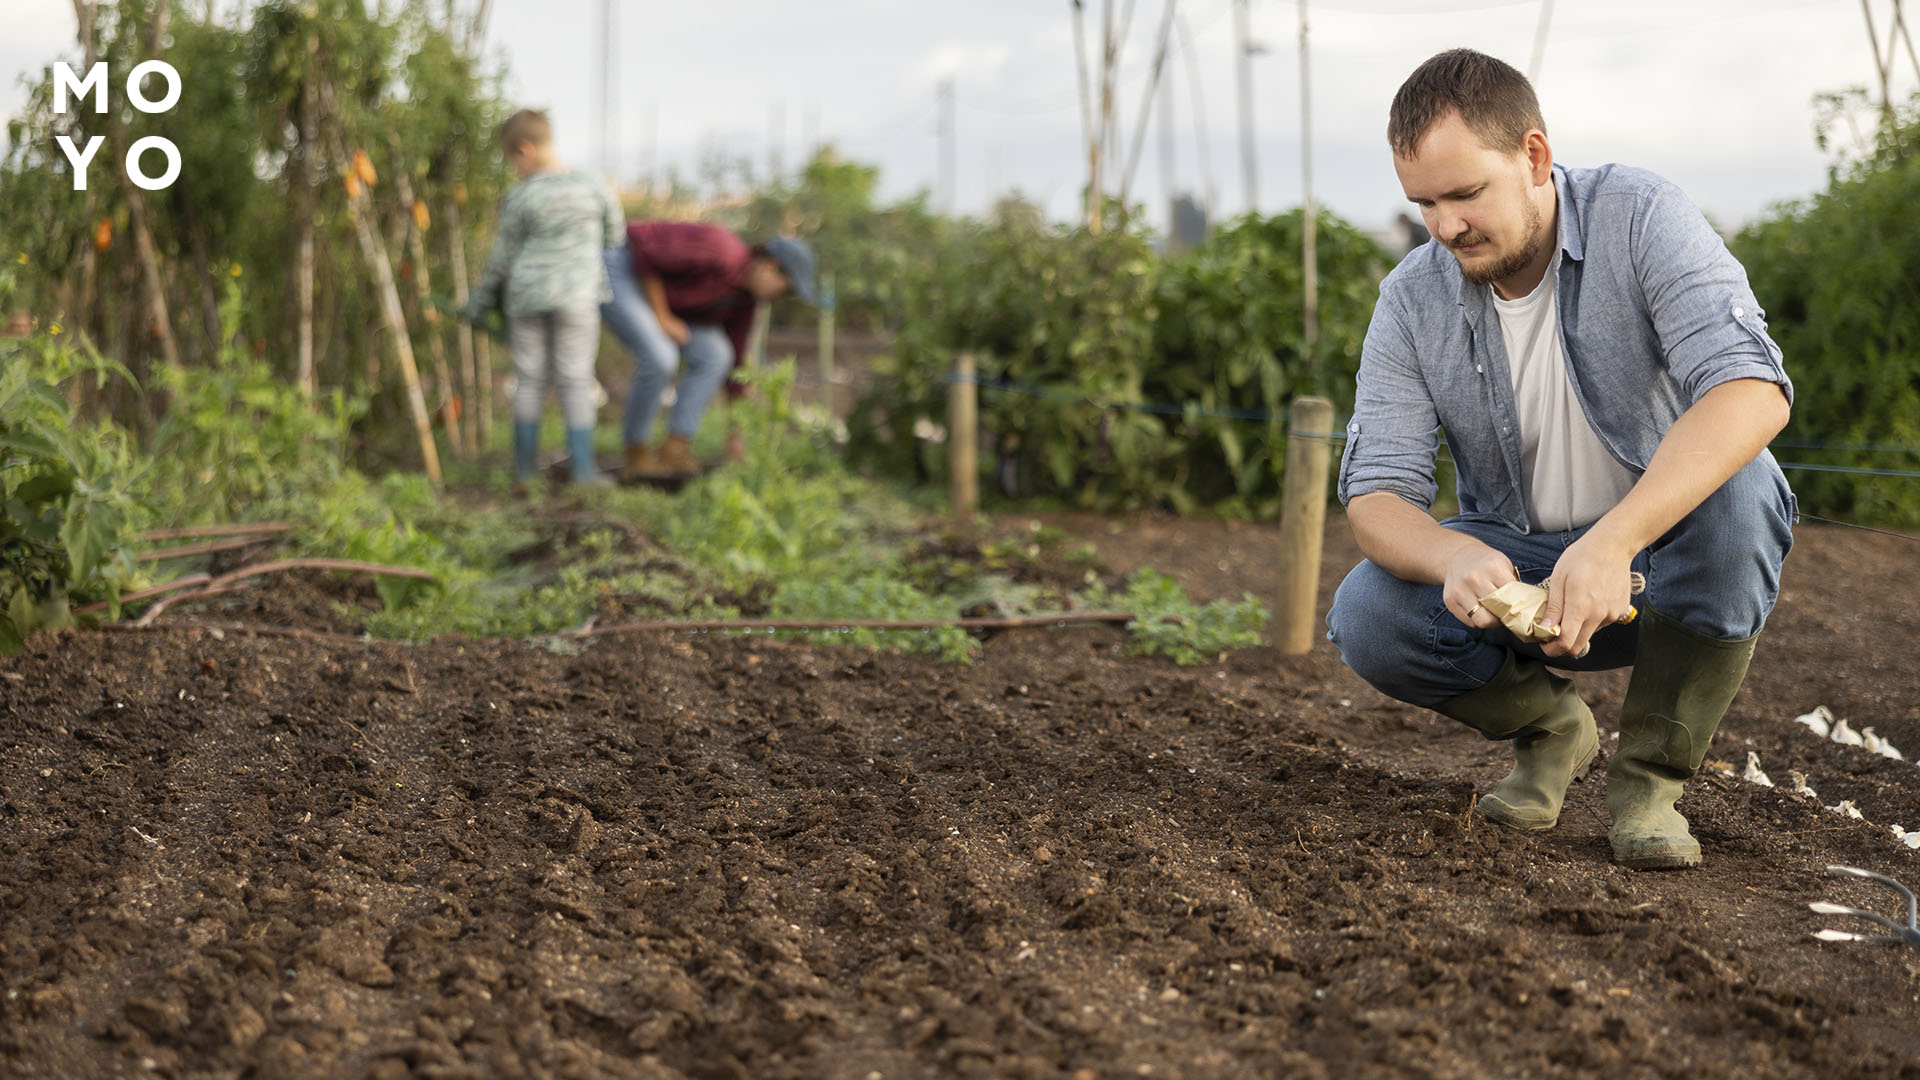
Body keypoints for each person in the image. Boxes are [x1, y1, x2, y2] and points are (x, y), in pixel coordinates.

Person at [1324, 49, 1795, 871]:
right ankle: (1551, 732)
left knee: (1744, 488)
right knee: (1370, 611)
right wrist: (1458, 555)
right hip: (1527, 585)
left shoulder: (1641, 216)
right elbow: (1376, 496)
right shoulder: (1411, 297)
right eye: (1424, 203)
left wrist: (1612, 541)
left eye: (1466, 194)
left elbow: (1753, 391)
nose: (1444, 227)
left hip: (1661, 568)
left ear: (1534, 158)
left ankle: (1649, 781)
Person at [465, 108, 624, 488]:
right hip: (576, 296)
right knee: (574, 379)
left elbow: (501, 259)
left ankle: (523, 473)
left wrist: (479, 303)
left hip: (527, 298)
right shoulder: (595, 186)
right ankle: (584, 473)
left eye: (512, 161)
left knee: (530, 380)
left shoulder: (520, 197)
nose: (514, 170)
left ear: (525, 150)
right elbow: (615, 238)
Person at [600, 222, 815, 480]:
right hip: (623, 268)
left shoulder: (744, 301)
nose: (782, 298)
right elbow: (646, 254)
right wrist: (662, 316)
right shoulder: (719, 250)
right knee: (660, 356)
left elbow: (736, 366)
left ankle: (675, 448)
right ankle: (636, 454)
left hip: (660, 294)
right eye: (787, 289)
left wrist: (734, 434)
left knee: (717, 355)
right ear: (771, 267)